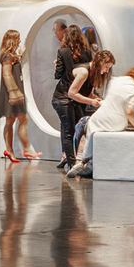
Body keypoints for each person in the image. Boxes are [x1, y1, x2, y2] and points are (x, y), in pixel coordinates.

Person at [67, 66, 134, 178]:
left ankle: (81, 160)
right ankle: (88, 165)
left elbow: (110, 102)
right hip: (116, 122)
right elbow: (129, 111)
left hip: (100, 117)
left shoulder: (115, 81)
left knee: (89, 129)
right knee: (99, 131)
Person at [52, 25, 92, 167]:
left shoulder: (62, 52)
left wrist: (56, 65)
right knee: (76, 128)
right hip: (80, 95)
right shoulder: (87, 52)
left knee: (67, 129)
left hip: (65, 94)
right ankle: (74, 157)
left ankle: (70, 161)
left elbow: (58, 75)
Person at [0, 30, 39, 162]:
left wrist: (20, 55)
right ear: (12, 40)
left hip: (14, 92)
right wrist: (13, 92)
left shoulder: (11, 56)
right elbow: (7, 74)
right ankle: (14, 150)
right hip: (12, 93)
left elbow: (14, 64)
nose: (20, 41)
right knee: (14, 120)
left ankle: (18, 150)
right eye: (18, 39)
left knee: (18, 120)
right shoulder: (7, 56)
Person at [70, 49, 116, 155]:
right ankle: (71, 161)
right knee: (71, 133)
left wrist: (96, 99)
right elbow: (71, 93)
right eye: (106, 67)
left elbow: (87, 93)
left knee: (78, 131)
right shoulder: (84, 71)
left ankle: (74, 159)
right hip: (67, 101)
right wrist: (91, 101)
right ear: (101, 63)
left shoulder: (93, 73)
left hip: (77, 103)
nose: (107, 71)